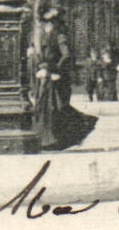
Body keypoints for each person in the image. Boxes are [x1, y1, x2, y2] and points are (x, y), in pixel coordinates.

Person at [30, 9, 97, 152]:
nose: (45, 26)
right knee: (45, 108)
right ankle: (47, 140)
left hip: (56, 78)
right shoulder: (44, 35)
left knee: (55, 108)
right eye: (44, 23)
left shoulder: (59, 36)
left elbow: (66, 56)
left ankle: (56, 139)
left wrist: (55, 71)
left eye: (47, 23)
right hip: (46, 76)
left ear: (52, 23)